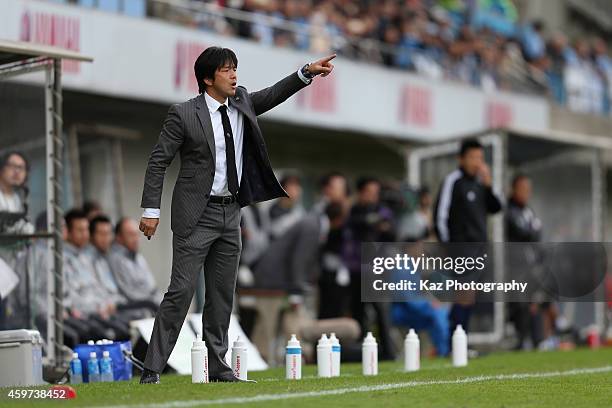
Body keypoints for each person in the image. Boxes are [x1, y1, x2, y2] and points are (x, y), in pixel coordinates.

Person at [138, 46, 335, 384]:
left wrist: (306, 72)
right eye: (227, 70)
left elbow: (273, 95)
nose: (234, 75)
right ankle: (152, 367)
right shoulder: (183, 114)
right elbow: (158, 161)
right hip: (195, 216)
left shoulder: (242, 101)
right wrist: (151, 210)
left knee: (222, 294)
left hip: (232, 216)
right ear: (207, 78)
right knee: (181, 292)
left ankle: (218, 365)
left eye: (235, 68)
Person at [249, 202, 359, 363]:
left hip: (280, 279)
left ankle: (281, 358)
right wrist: (297, 289)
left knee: (284, 322)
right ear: (340, 220)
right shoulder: (312, 227)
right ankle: (259, 359)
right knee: (267, 322)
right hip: (272, 279)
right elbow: (299, 260)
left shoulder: (314, 223)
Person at [434, 139, 502, 343]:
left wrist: (489, 185)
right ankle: (454, 342)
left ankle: (459, 340)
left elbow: (497, 207)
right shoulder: (452, 181)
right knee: (464, 292)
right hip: (460, 247)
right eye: (472, 157)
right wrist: (446, 246)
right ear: (460, 159)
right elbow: (440, 215)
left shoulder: (482, 183)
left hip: (479, 248)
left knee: (469, 295)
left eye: (480, 158)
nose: (476, 162)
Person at [343, 176, 397, 360]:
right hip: (357, 269)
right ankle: (362, 352)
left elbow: (392, 233)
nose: (373, 196)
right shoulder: (353, 211)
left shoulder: (383, 210)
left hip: (377, 268)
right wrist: (371, 222)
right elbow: (355, 225)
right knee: (358, 312)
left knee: (381, 310)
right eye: (369, 192)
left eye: (375, 192)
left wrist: (377, 224)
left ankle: (388, 352)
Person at [110, 218, 161, 306]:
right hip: (138, 306)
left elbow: (152, 286)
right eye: (131, 235)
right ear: (119, 238)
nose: (136, 239)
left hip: (151, 302)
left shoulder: (138, 257)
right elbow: (129, 294)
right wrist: (154, 301)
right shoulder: (116, 260)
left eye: (137, 234)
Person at [267, 173, 305, 240]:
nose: (298, 190)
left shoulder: (299, 210)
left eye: (298, 186)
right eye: (294, 187)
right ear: (283, 189)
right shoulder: (271, 211)